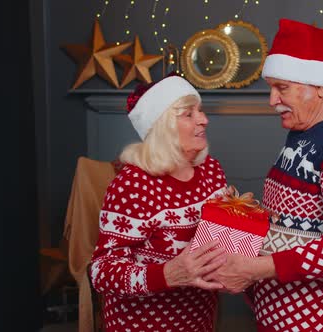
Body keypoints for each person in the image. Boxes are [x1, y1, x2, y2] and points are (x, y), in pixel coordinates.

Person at [207, 19, 323, 332]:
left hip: (309, 323)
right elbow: (296, 216)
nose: (272, 100)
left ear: (319, 86)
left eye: (282, 88)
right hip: (277, 316)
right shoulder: (309, 128)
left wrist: (256, 269)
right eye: (271, 88)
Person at [90, 75, 229, 332]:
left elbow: (220, 234)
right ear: (163, 125)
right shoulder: (132, 185)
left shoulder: (210, 169)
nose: (203, 120)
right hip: (142, 323)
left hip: (199, 318)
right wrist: (167, 274)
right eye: (189, 114)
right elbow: (102, 272)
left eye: (200, 111)